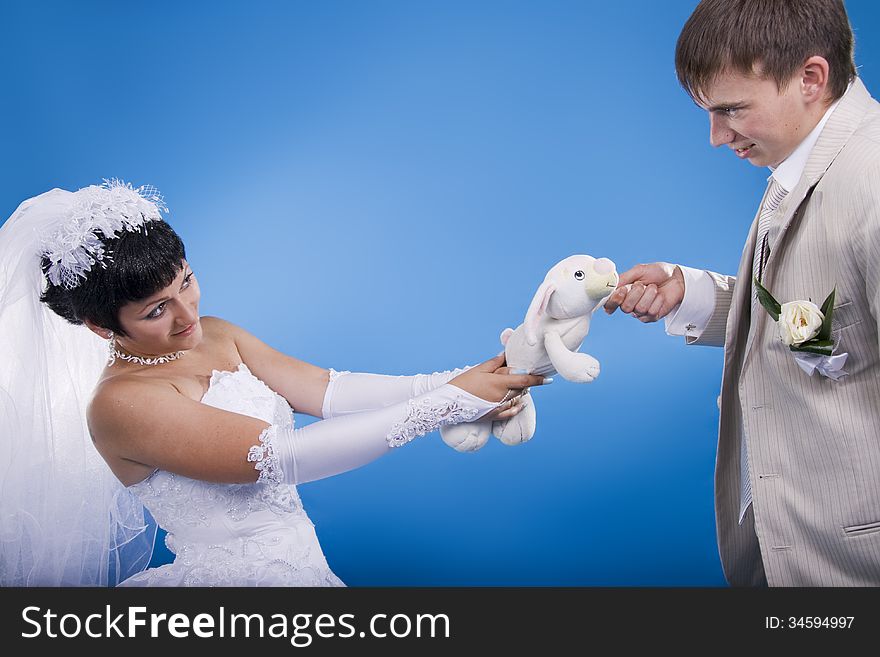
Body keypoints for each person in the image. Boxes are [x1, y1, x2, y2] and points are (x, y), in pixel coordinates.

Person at [0, 180, 546, 586]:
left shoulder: (215, 335)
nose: (187, 313)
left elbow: (327, 390)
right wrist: (448, 404)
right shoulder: (121, 405)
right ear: (100, 326)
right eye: (156, 310)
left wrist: (462, 379)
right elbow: (282, 458)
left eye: (186, 280)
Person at [604, 0, 880, 586]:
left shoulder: (872, 182)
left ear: (811, 78)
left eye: (731, 110)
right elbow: (824, 315)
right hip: (799, 554)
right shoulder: (803, 163)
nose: (715, 137)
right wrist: (691, 294)